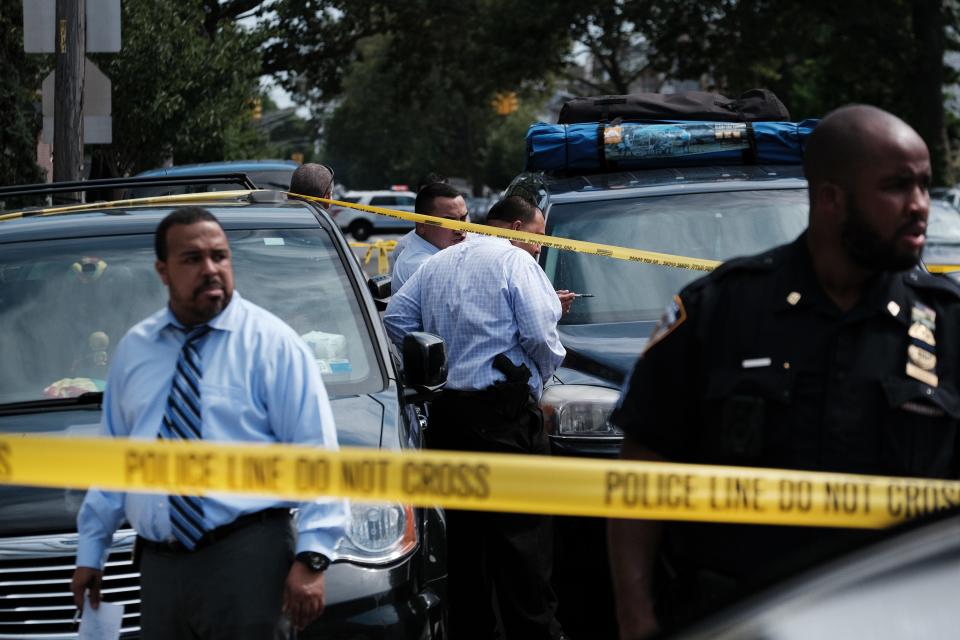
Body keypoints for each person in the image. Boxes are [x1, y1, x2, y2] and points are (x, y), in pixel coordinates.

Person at [607, 104, 960, 638]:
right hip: (740, 619)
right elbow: (642, 470)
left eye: (924, 186)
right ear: (831, 199)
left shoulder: (948, 322)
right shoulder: (720, 311)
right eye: (896, 187)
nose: (919, 207)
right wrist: (636, 618)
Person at [70, 206, 347, 639]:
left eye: (219, 256)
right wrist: (91, 551)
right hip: (160, 570)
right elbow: (115, 460)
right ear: (163, 271)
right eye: (193, 259)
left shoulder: (273, 346)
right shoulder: (136, 350)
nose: (211, 269)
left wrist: (313, 557)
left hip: (248, 561)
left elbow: (316, 453)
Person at [383, 195, 567, 640]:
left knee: (465, 550)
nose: (540, 247)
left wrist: (434, 365)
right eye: (539, 237)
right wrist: (539, 377)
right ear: (518, 227)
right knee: (523, 549)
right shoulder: (515, 261)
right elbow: (542, 334)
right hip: (505, 421)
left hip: (449, 419)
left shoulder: (436, 264)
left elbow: (394, 320)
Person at [485, 196, 576, 314]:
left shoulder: (456, 254)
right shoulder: (519, 262)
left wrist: (545, 302)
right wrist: (550, 308)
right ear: (516, 229)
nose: (538, 249)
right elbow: (535, 329)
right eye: (537, 238)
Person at [390, 181, 469, 293]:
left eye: (463, 219)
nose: (460, 230)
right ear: (422, 224)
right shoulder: (421, 266)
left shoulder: (438, 250)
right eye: (448, 221)